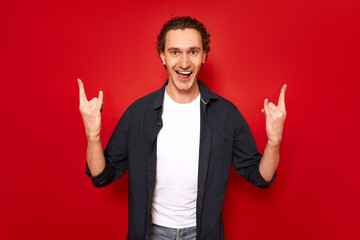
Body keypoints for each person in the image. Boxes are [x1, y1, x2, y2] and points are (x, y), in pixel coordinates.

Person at [78, 16, 286, 240]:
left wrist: (274, 142)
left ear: (204, 55)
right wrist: (93, 135)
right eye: (175, 52)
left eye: (193, 52)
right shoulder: (138, 113)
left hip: (203, 234)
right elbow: (102, 176)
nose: (184, 63)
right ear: (162, 56)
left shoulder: (226, 115)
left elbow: (260, 177)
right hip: (150, 233)